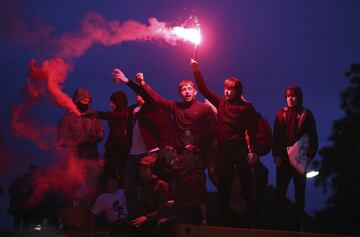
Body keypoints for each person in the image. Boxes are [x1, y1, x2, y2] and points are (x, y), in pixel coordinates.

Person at [190, 59, 259, 227]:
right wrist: (196, 70)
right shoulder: (221, 103)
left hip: (241, 152)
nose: (227, 92)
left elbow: (252, 131)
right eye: (225, 89)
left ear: (238, 90)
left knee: (247, 186)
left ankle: (253, 220)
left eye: (230, 89)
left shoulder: (247, 108)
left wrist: (253, 151)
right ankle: (223, 221)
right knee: (224, 188)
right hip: (224, 154)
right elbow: (204, 90)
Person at [112, 69, 216, 166]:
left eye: (189, 89)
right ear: (180, 94)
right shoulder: (176, 107)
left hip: (199, 154)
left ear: (195, 91)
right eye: (184, 89)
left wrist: (198, 137)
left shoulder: (205, 109)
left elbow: (213, 130)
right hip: (181, 154)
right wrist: (142, 83)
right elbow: (158, 100)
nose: (187, 91)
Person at [272, 85, 318, 231]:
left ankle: (297, 226)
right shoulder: (280, 114)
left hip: (299, 161)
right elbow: (276, 137)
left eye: (293, 96)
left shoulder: (306, 114)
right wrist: (276, 155)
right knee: (280, 193)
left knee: (300, 193)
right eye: (287, 96)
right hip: (283, 161)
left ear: (299, 97)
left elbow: (313, 138)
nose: (290, 99)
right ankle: (278, 225)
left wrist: (309, 157)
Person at [94, 91, 132, 186]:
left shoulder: (121, 121)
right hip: (115, 159)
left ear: (118, 102)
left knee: (111, 185)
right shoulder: (119, 119)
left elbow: (117, 140)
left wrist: (109, 156)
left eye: (112, 102)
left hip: (117, 162)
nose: (110, 104)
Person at [58, 87, 104, 160]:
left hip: (92, 157)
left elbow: (100, 134)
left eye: (87, 101)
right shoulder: (67, 118)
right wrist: (77, 142)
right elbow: (62, 139)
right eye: (83, 101)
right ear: (77, 101)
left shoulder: (94, 116)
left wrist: (89, 140)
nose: (86, 104)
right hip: (74, 159)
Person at [131, 155, 169, 237]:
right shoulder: (141, 185)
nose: (142, 170)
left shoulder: (160, 185)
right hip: (145, 216)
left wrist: (147, 218)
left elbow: (163, 207)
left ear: (152, 169)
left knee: (143, 227)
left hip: (155, 218)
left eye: (145, 168)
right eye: (141, 168)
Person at [8, 165, 39, 231]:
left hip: (28, 207)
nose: (34, 173)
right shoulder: (20, 180)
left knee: (26, 224)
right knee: (17, 223)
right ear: (30, 171)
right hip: (19, 206)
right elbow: (11, 191)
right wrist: (21, 192)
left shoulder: (35, 181)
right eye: (33, 171)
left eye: (35, 172)